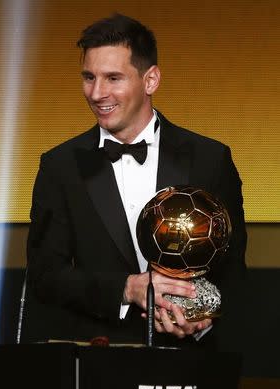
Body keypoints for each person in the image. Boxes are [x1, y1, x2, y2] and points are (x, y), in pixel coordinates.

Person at [26, 13, 247, 347]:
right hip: (99, 362)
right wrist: (127, 289)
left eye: (113, 78)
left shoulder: (210, 159)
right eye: (89, 77)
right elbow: (45, 277)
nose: (97, 93)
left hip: (190, 363)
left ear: (151, 80)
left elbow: (232, 272)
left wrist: (200, 319)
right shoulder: (60, 166)